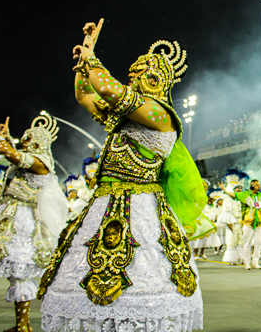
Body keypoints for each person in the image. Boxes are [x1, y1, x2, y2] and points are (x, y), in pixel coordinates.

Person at [37, 22, 209, 331]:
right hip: (104, 204)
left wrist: (92, 58)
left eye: (137, 75)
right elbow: (86, 96)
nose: (131, 79)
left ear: (155, 80)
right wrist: (86, 51)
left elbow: (107, 88)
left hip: (141, 207)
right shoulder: (127, 117)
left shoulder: (161, 116)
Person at [0, 115, 67, 332]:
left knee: (21, 273)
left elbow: (12, 155)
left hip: (22, 222)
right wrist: (7, 137)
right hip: (11, 215)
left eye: (27, 139)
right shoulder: (34, 160)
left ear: (37, 142)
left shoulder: (40, 164)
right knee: (17, 275)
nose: (23, 143)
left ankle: (23, 326)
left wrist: (0, 139)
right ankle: (22, 325)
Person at [221, 179, 261, 270]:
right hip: (248, 223)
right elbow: (232, 194)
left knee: (259, 242)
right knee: (247, 243)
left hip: (258, 224)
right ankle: (247, 262)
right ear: (252, 186)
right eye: (257, 185)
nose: (259, 187)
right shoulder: (244, 195)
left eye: (259, 185)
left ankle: (255, 262)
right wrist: (224, 189)